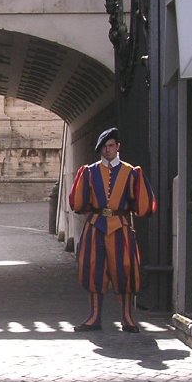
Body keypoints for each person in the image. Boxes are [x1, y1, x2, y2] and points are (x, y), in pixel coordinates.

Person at [68, 127, 157, 333]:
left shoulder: (131, 172)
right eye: (104, 148)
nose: (107, 151)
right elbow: (79, 202)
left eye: (110, 146)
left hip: (120, 226)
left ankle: (127, 317)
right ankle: (94, 317)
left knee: (125, 270)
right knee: (93, 269)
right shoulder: (89, 172)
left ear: (118, 146)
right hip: (95, 226)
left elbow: (142, 204)